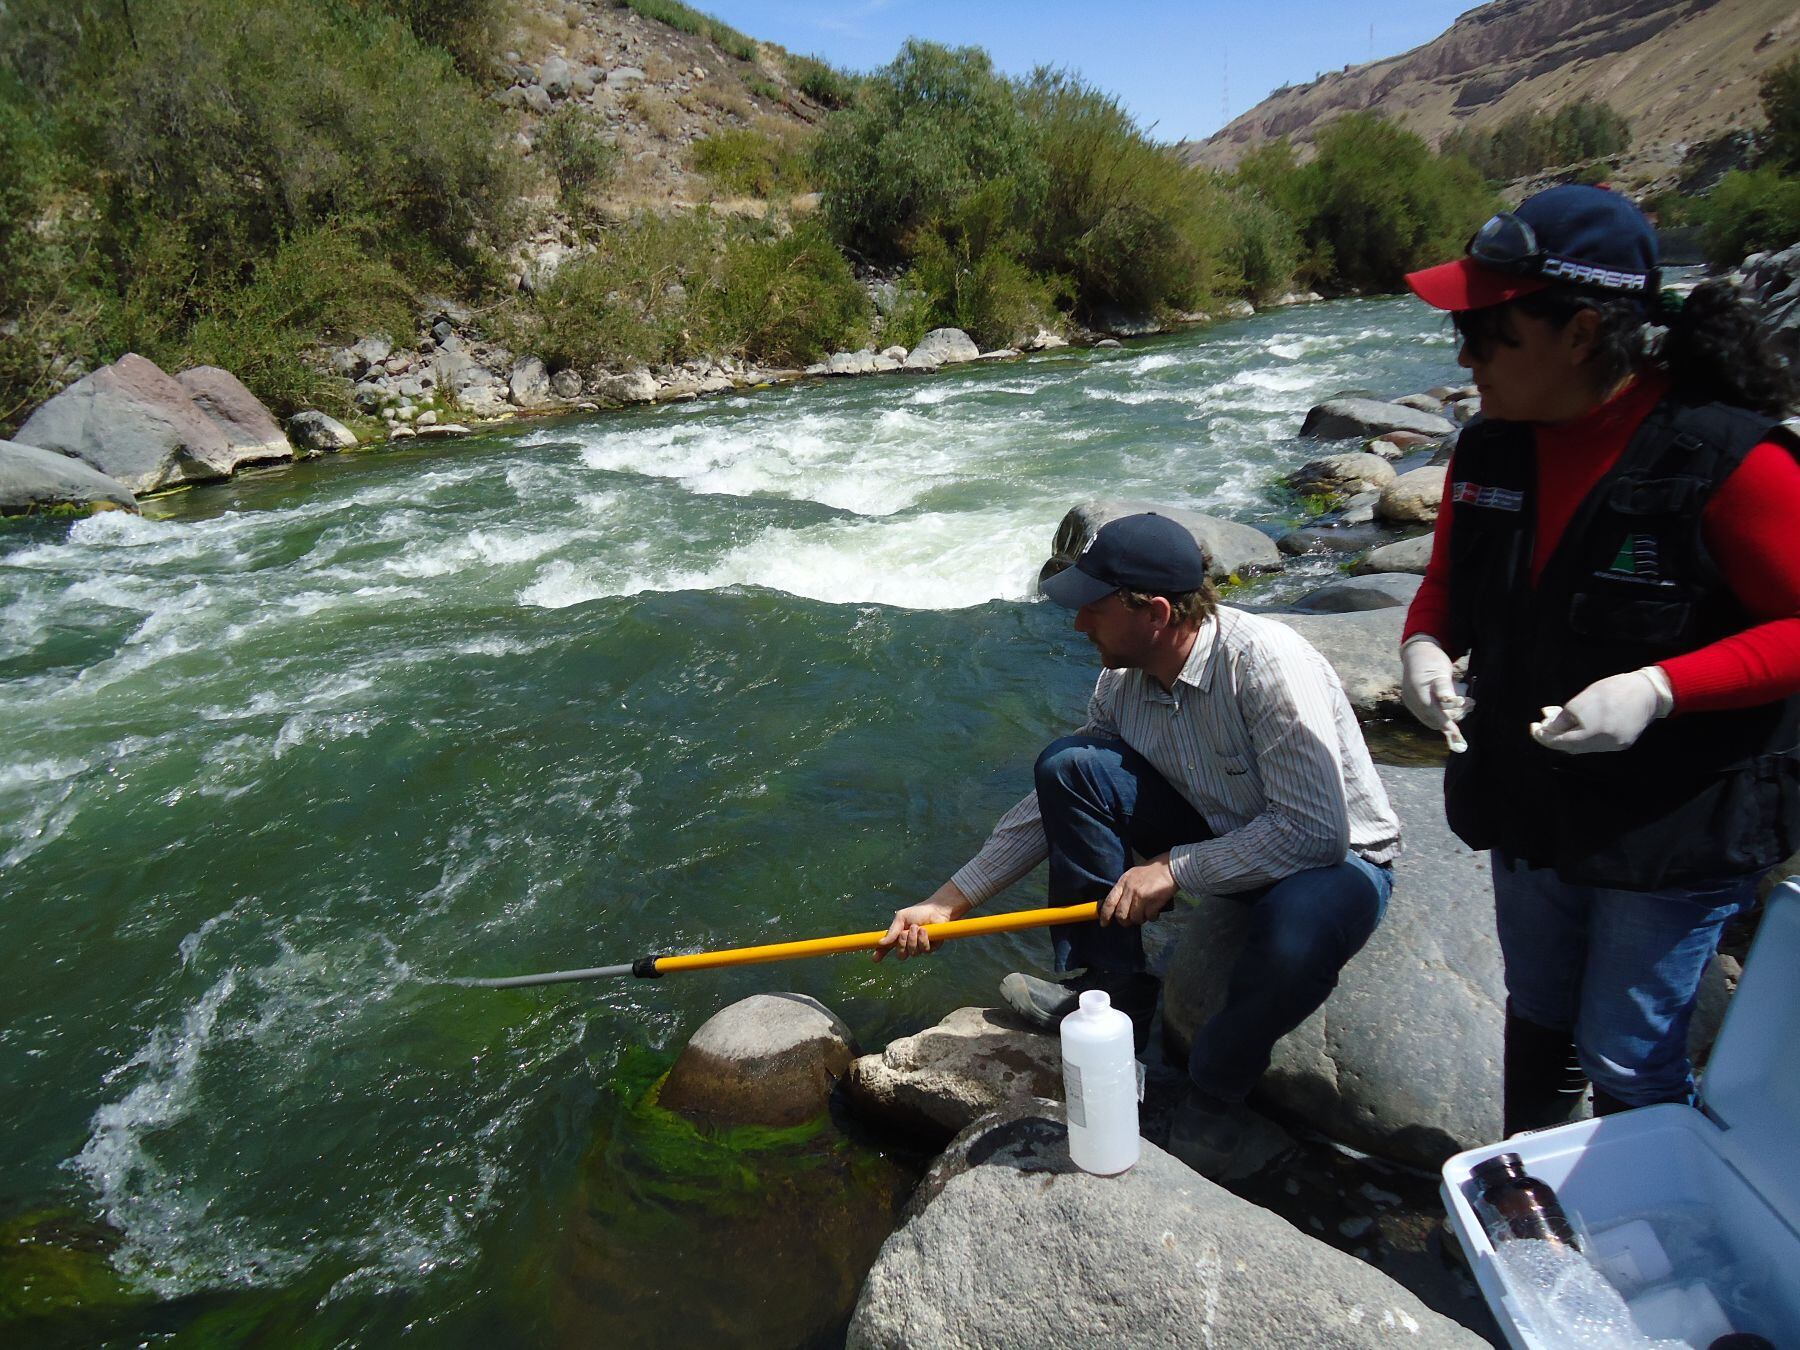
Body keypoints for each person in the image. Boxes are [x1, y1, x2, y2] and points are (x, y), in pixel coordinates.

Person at [1398, 184, 1800, 1134]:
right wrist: (1421, 642)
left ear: (1581, 333)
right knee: (1537, 1006)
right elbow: (1449, 584)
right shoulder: (1490, 450)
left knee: (1628, 1044)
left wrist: (1663, 688)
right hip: (1532, 797)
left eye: (1488, 332)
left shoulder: (1729, 461)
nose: (1464, 356)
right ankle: (1530, 1201)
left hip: (1674, 820)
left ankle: (1641, 1232)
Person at [874, 511, 1401, 1177]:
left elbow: (1315, 834)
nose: (1077, 626)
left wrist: (1175, 869)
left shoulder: (1265, 668)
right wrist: (949, 902)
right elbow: (1051, 805)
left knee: (1297, 927)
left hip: (1332, 856)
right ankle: (1113, 992)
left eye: (1091, 610)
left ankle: (1215, 1095)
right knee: (1070, 764)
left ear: (1153, 612)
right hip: (1222, 825)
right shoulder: (1121, 681)